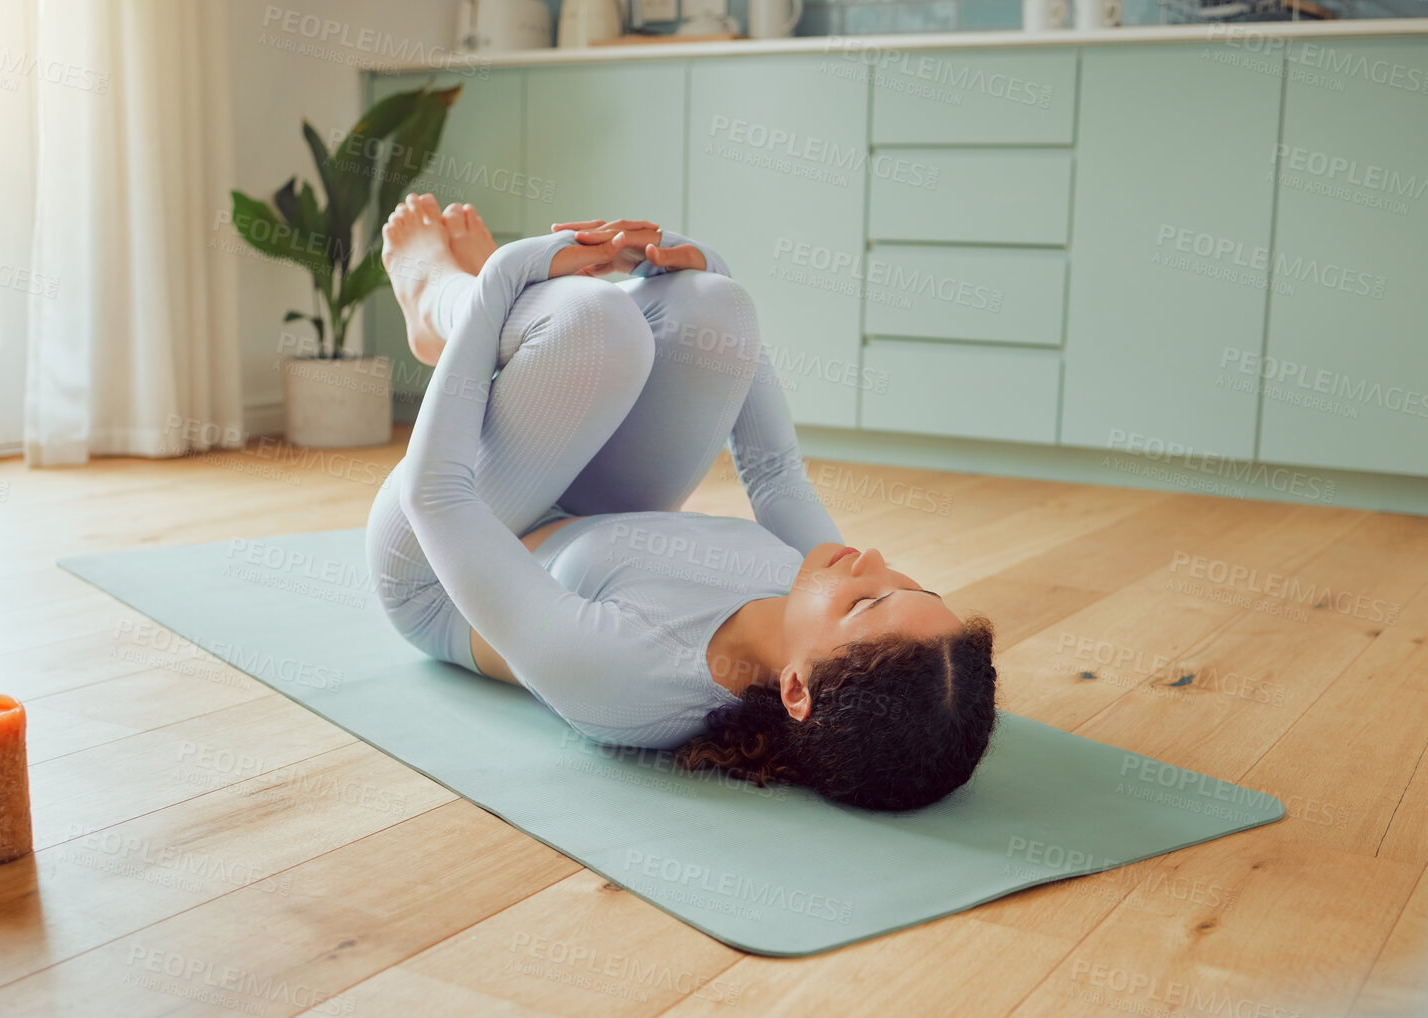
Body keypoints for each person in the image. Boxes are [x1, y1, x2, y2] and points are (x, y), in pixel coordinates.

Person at [365, 195, 998, 811]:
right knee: (714, 311)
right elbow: (774, 472)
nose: (873, 561)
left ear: (798, 687)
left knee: (593, 321)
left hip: (436, 568)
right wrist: (705, 271)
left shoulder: (630, 680)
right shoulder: (819, 590)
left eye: (868, 601)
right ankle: (495, 318)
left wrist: (504, 276)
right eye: (918, 589)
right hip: (579, 515)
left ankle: (439, 302)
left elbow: (437, 496)